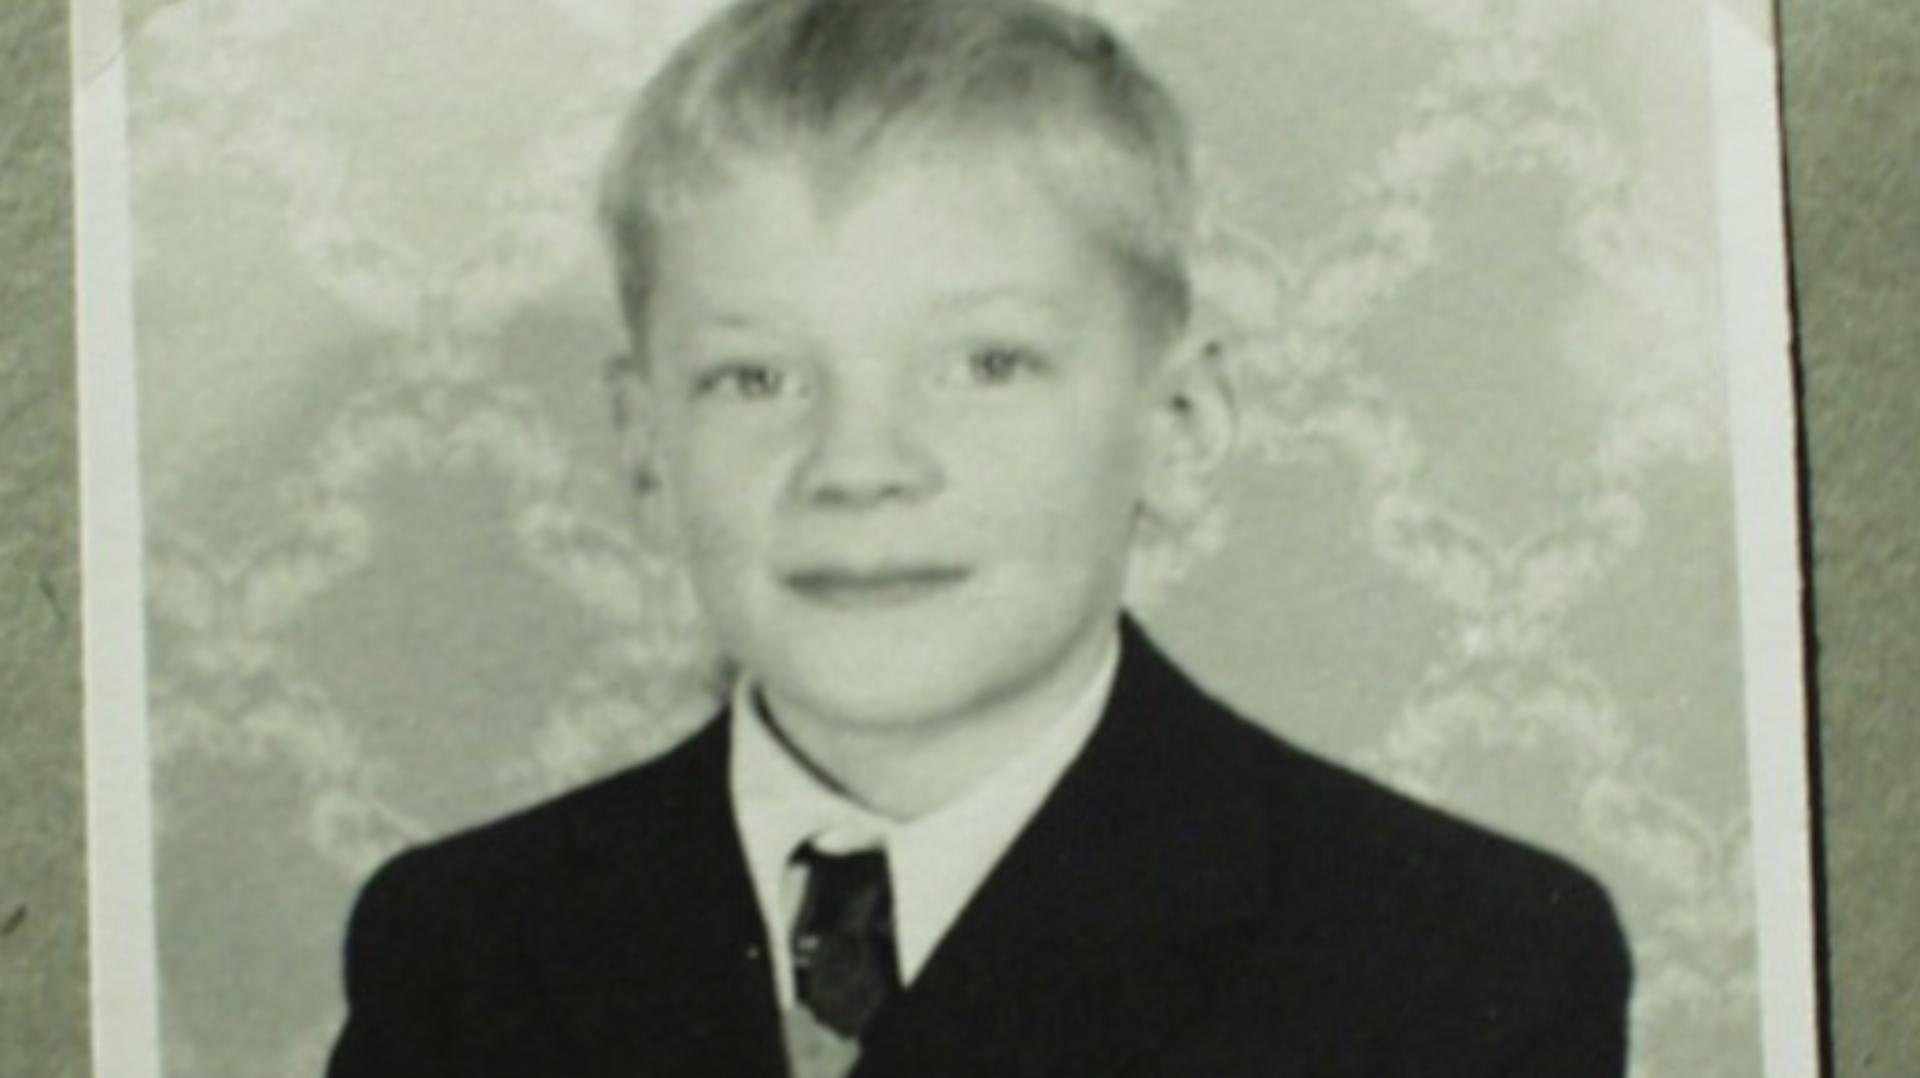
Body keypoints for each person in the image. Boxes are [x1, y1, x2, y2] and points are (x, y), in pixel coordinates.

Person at [327, 0, 1631, 1074]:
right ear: (640, 441)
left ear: (1178, 421)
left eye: (986, 362)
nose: (859, 468)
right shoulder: (462, 947)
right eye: (755, 377)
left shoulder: (1458, 966)